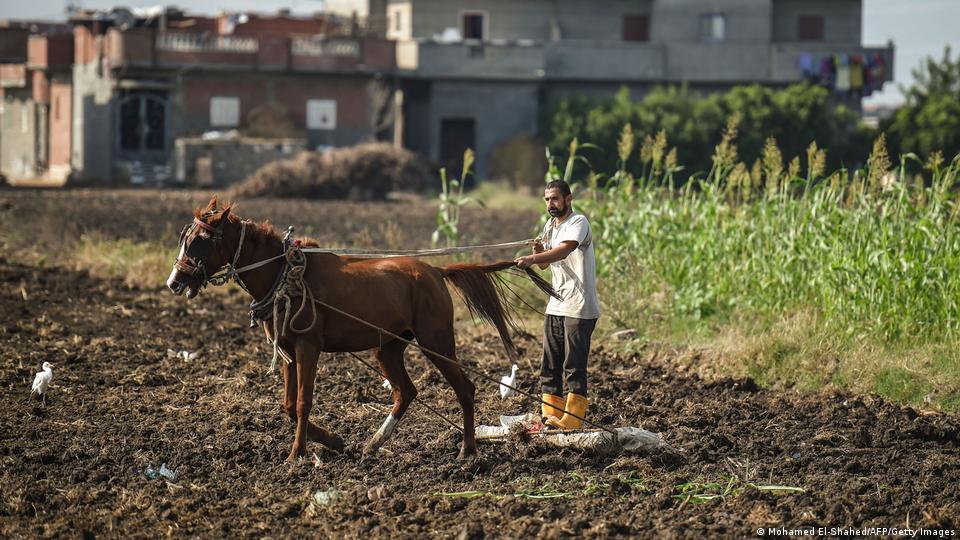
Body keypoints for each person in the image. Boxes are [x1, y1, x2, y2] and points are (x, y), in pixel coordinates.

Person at [515, 180, 600, 430]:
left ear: (568, 198)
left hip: (579, 306)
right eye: (547, 200)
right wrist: (539, 249)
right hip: (556, 305)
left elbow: (563, 252)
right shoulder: (550, 225)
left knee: (573, 366)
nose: (550, 204)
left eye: (554, 199)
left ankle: (572, 421)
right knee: (549, 366)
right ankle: (550, 418)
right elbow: (545, 264)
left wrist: (532, 257)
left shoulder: (578, 223)